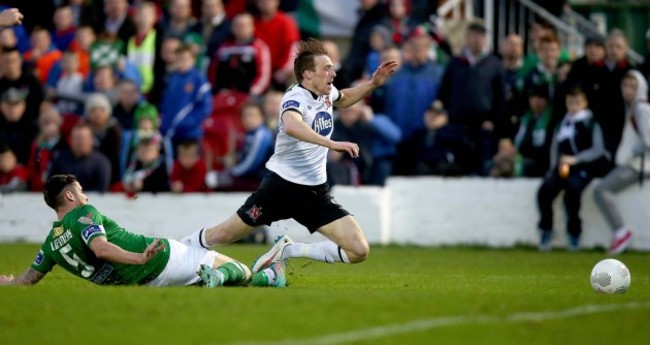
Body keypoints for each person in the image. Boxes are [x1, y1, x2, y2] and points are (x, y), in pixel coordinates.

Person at [181, 38, 398, 272]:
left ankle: (288, 250)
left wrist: (373, 83)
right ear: (307, 74)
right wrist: (331, 143)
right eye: (326, 68)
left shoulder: (324, 93)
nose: (333, 73)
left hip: (314, 192)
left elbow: (344, 99)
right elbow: (293, 126)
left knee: (359, 250)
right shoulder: (294, 98)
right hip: (279, 188)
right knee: (223, 234)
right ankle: (179, 250)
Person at [0, 174, 286, 288]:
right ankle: (268, 276)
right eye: (82, 191)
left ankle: (215, 280)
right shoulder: (83, 214)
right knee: (241, 271)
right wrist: (139, 258)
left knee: (211, 274)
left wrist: (7, 283)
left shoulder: (51, 243)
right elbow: (100, 247)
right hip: (158, 259)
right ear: (71, 198)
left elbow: (27, 279)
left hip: (143, 284)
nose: (86, 196)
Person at [536, 88, 607, 252]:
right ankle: (546, 228)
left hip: (583, 167)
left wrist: (577, 159)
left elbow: (598, 149)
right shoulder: (562, 122)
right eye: (570, 103)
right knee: (545, 191)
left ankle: (574, 233)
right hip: (563, 166)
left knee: (572, 193)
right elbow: (554, 147)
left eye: (577, 103)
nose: (573, 107)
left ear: (584, 103)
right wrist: (553, 167)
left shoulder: (591, 122)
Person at [593, 70, 650, 255]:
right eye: (625, 85)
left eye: (632, 86)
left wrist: (633, 152)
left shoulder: (641, 108)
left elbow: (648, 140)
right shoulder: (633, 107)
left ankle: (621, 231)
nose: (627, 89)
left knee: (601, 189)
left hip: (639, 165)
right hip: (635, 163)